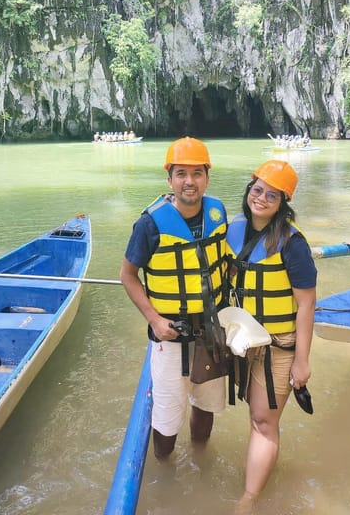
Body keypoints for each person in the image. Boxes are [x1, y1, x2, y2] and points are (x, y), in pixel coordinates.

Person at [120, 136, 228, 459]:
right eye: (181, 173)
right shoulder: (149, 225)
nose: (189, 182)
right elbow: (127, 276)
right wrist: (154, 319)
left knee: (206, 407)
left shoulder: (218, 213)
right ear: (170, 179)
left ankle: (200, 463)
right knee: (166, 420)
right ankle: (166, 473)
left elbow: (228, 262)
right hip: (171, 335)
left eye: (197, 173)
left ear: (207, 177)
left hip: (210, 331)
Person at [225, 159, 317, 511]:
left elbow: (306, 305)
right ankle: (258, 474)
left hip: (278, 346)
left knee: (264, 422)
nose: (261, 198)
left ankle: (248, 500)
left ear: (283, 203)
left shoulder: (293, 244)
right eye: (258, 189)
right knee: (255, 416)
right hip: (243, 340)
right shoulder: (233, 229)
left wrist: (302, 361)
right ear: (249, 190)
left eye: (272, 195)